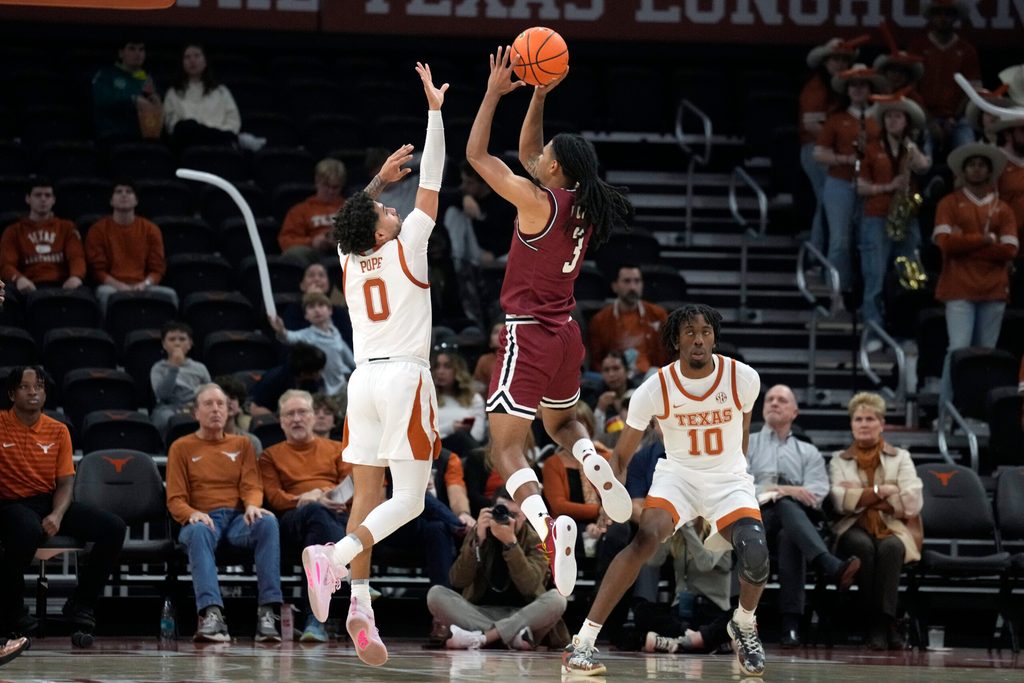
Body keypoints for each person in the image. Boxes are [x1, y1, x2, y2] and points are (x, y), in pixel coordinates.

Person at [465, 46, 635, 598]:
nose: (538, 159)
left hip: (528, 333)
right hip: (566, 333)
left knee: (505, 448)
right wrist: (538, 93)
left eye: (547, 159)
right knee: (563, 428)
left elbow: (480, 156)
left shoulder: (535, 203)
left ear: (555, 169)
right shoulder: (583, 202)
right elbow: (529, 149)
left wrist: (494, 91)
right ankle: (591, 457)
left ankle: (544, 524)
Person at [300, 62, 448, 669]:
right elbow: (433, 179)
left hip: (362, 382)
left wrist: (374, 183)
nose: (395, 210)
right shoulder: (408, 246)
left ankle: (360, 602)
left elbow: (349, 219)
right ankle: (332, 561)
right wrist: (436, 112)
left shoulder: (348, 255)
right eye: (389, 210)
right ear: (385, 230)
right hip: (405, 378)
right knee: (409, 501)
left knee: (369, 494)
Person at [563, 304, 766, 677]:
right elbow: (622, 458)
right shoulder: (654, 389)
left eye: (705, 332)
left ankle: (744, 623)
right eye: (689, 332)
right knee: (645, 538)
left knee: (756, 551)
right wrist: (611, 496)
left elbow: (742, 437)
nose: (699, 339)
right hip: (679, 478)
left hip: (728, 479)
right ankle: (583, 641)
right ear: (675, 341)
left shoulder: (744, 378)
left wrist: (734, 489)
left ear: (714, 337)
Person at [0, 366, 126, 638]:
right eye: (25, 386)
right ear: (12, 393)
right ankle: (12, 611)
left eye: (39, 386)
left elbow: (66, 483)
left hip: (48, 500)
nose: (33, 392)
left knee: (113, 527)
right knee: (26, 529)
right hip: (10, 504)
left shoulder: (58, 430)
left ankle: (81, 604)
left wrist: (57, 514)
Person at [165, 383, 282, 642]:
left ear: (229, 410)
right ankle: (212, 615)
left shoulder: (243, 444)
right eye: (208, 404)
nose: (216, 409)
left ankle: (268, 613)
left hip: (237, 519)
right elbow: (175, 499)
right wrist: (191, 513)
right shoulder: (181, 447)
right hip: (203, 519)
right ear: (195, 413)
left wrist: (252, 504)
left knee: (268, 522)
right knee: (197, 530)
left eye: (221, 404)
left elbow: (252, 485)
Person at [746, 384, 860, 647]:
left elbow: (817, 493)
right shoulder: (747, 444)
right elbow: (738, 484)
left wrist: (786, 495)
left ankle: (791, 625)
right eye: (770, 399)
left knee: (790, 535)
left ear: (794, 412)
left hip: (796, 525)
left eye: (782, 400)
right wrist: (783, 490)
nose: (774, 403)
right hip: (755, 518)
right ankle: (827, 565)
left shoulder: (808, 451)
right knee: (786, 502)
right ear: (763, 409)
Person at [829, 392, 924, 650]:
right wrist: (884, 491)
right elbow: (838, 500)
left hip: (892, 526)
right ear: (851, 424)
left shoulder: (900, 457)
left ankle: (881, 622)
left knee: (891, 547)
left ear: (881, 424)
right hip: (850, 527)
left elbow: (913, 500)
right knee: (864, 547)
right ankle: (881, 624)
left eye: (870, 418)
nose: (863, 424)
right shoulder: (839, 459)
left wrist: (861, 494)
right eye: (858, 419)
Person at [259, 390, 350, 643]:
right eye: (290, 414)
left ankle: (315, 620)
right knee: (314, 512)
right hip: (292, 520)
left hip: (333, 515)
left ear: (313, 417)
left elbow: (352, 488)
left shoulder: (337, 449)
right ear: (281, 421)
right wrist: (305, 499)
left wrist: (322, 495)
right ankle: (344, 567)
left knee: (317, 541)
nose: (297, 419)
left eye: (302, 412)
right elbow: (274, 497)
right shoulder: (270, 455)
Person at [426, 491, 569, 651]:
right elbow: (458, 580)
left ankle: (483, 638)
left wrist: (511, 545)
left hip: (524, 614)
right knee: (436, 594)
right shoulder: (479, 532)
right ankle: (512, 637)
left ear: (525, 517)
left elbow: (529, 585)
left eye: (514, 514)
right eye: (501, 512)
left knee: (557, 599)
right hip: (480, 613)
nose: (507, 519)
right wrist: (478, 541)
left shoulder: (537, 540)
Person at [933, 143, 1017, 410]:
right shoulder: (949, 203)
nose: (977, 169)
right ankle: (947, 410)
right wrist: (983, 240)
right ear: (963, 170)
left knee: (986, 356)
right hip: (958, 288)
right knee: (957, 351)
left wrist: (965, 244)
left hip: (993, 289)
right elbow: (945, 244)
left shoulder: (1003, 208)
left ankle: (978, 411)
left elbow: (1010, 249)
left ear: (990, 171)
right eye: (972, 165)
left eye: (982, 165)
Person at [856, 94, 933, 336]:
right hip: (877, 215)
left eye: (898, 116)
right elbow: (859, 187)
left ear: (906, 120)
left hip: (907, 217)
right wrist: (888, 187)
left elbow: (924, 166)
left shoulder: (911, 147)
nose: (892, 121)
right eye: (888, 116)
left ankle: (905, 328)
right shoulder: (871, 148)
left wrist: (911, 146)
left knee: (911, 276)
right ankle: (873, 330)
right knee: (875, 276)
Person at [813, 64, 884, 292]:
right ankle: (837, 294)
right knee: (839, 242)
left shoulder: (881, 117)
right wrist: (846, 159)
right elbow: (818, 153)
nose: (858, 89)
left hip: (873, 183)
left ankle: (864, 294)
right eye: (853, 85)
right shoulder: (837, 118)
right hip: (841, 182)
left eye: (863, 84)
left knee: (869, 242)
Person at [800, 36, 860, 254]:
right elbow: (811, 124)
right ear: (825, 62)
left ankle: (822, 257)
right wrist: (836, 140)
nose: (840, 64)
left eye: (844, 60)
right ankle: (817, 257)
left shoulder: (845, 88)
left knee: (830, 206)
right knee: (827, 203)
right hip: (815, 150)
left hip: (835, 153)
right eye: (835, 59)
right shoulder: (817, 86)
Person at [84, 181, 177, 315]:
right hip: (112, 287)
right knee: (104, 294)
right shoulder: (98, 230)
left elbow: (157, 269)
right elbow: (98, 270)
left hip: (143, 286)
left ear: (136, 200)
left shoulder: (151, 229)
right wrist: (119, 286)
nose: (124, 195)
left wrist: (144, 284)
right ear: (111, 200)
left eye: (129, 192)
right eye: (119, 191)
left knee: (170, 295)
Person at [909, 0, 982, 153]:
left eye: (948, 14)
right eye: (938, 14)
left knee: (970, 153)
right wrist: (929, 121)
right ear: (931, 17)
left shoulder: (966, 50)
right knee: (919, 156)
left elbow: (974, 90)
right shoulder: (917, 46)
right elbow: (911, 89)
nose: (943, 18)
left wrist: (954, 119)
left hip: (959, 120)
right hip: (923, 117)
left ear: (956, 18)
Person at [1, 178, 85, 298]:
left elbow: (77, 257)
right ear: (28, 198)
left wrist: (76, 277)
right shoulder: (13, 231)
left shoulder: (67, 227)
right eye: (38, 195)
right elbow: (6, 264)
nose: (43, 199)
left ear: (53, 200)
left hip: (62, 285)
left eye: (47, 195)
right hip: (27, 285)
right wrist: (18, 279)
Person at [270, 291, 355, 398]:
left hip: (342, 387)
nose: (317, 310)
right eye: (311, 307)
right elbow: (289, 337)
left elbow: (350, 359)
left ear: (330, 310)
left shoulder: (336, 334)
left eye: (321, 305)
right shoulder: (306, 335)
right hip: (322, 391)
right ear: (306, 316)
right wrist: (281, 330)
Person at [587, 265, 669, 377]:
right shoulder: (600, 320)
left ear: (642, 284)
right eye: (627, 281)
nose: (632, 287)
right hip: (615, 379)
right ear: (614, 286)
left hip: (650, 377)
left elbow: (668, 353)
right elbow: (596, 361)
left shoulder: (658, 315)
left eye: (637, 281)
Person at [163, 43, 241, 155]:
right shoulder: (173, 92)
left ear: (205, 61)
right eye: (187, 57)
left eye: (197, 56)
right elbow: (172, 125)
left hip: (220, 144)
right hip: (189, 146)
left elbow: (233, 122)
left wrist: (213, 134)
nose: (192, 61)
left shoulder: (221, 91)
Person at [91, 39, 161, 144]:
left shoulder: (147, 78)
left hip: (143, 138)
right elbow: (101, 100)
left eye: (141, 49)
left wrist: (157, 102)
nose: (137, 53)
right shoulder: (106, 75)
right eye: (132, 48)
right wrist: (133, 100)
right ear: (121, 53)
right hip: (112, 135)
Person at [278, 158, 348, 265]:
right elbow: (285, 241)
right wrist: (313, 242)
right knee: (294, 254)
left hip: (347, 254)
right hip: (313, 256)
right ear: (317, 181)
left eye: (335, 187)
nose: (330, 191)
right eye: (326, 185)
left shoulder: (350, 208)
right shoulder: (301, 210)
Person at [151, 321, 212, 435]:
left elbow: (209, 391)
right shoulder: (158, 368)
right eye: (172, 339)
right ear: (164, 344)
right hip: (169, 407)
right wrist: (174, 367)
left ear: (190, 344)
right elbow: (162, 395)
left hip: (196, 405)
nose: (177, 343)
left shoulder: (199, 367)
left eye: (182, 339)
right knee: (165, 418)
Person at [280, 261, 353, 347]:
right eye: (311, 275)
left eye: (321, 275)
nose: (316, 279)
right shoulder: (292, 311)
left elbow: (349, 344)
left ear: (328, 284)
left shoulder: (340, 313)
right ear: (302, 285)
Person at [249, 342, 326, 416]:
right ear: (304, 373)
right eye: (318, 370)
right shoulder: (274, 379)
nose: (321, 373)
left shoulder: (315, 381)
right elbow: (255, 409)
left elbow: (318, 404)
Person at [432, 347, 486, 445]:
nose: (440, 372)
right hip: (436, 450)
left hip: (464, 451)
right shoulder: (428, 398)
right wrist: (451, 428)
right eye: (437, 366)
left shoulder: (474, 399)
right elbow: (424, 434)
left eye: (447, 366)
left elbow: (477, 435)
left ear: (458, 370)